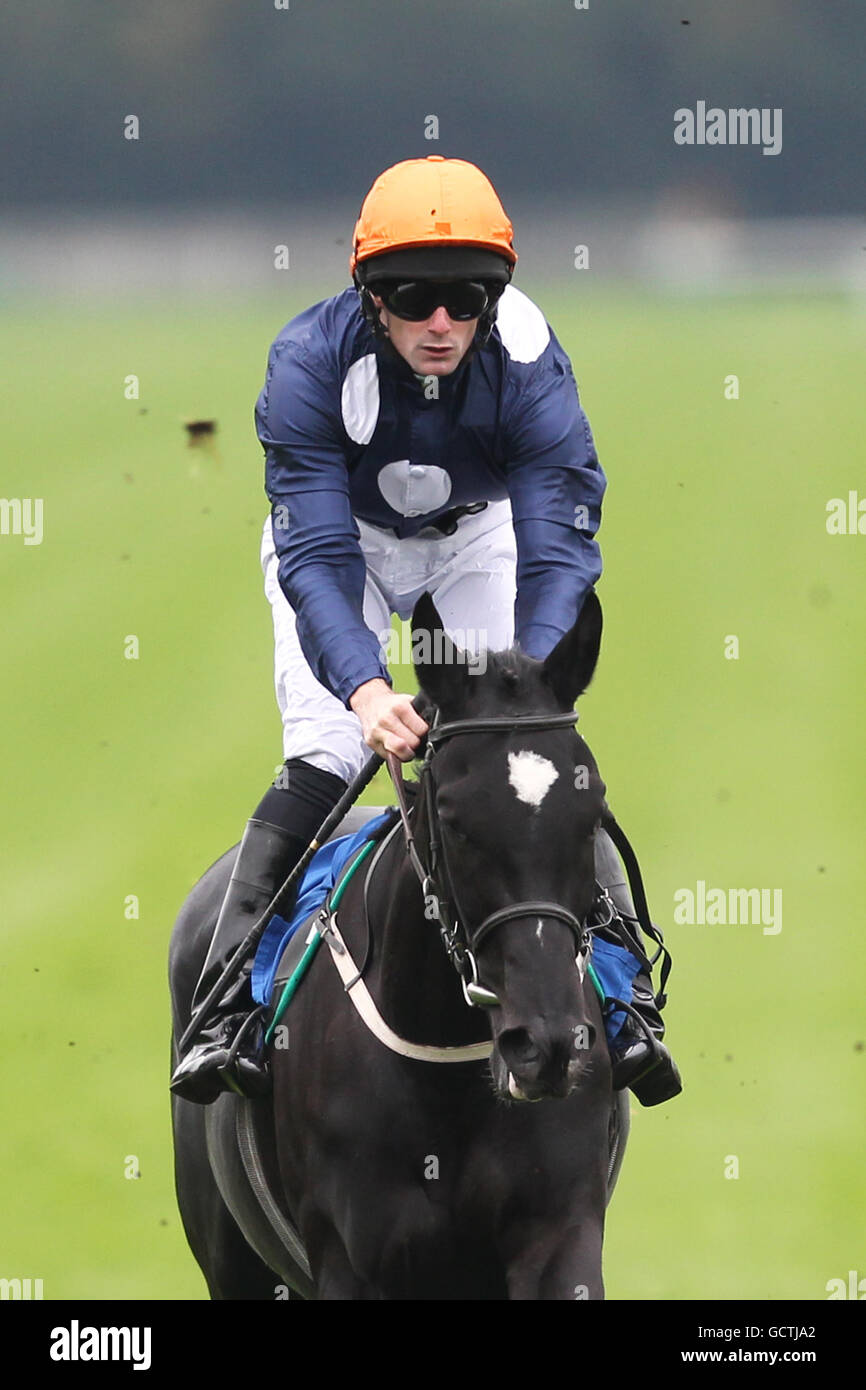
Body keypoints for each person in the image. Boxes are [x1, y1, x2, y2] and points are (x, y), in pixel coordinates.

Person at [170, 155, 681, 1107]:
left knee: (525, 750)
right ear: (369, 296)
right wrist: (366, 689)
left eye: (468, 297)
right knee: (326, 752)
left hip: (476, 542)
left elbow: (561, 535)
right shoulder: (307, 365)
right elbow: (317, 557)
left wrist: (530, 676)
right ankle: (231, 998)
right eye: (414, 296)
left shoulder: (531, 365)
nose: (442, 323)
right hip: (344, 546)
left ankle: (623, 997)